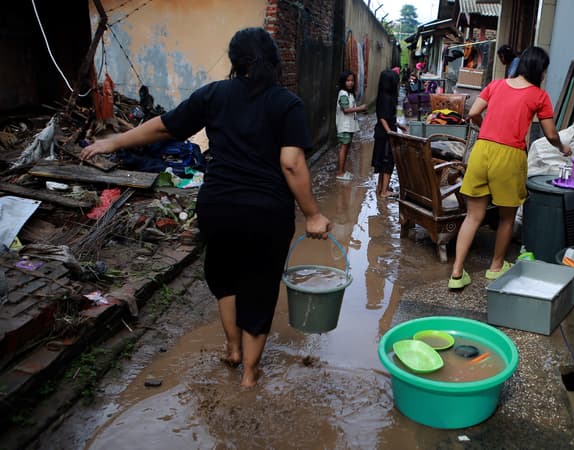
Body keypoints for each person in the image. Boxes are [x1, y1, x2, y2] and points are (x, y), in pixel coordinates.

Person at [80, 27, 331, 387]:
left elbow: (164, 128)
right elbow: (291, 163)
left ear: (234, 61)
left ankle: (232, 349)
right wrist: (313, 214)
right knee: (259, 286)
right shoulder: (287, 104)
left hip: (218, 206)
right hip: (266, 213)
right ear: (275, 62)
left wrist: (115, 141)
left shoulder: (214, 95)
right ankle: (249, 374)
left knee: (225, 279)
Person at [448, 46, 571, 289]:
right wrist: (562, 148)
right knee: (506, 217)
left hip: (482, 151)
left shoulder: (495, 85)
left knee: (473, 216)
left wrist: (485, 129)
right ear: (539, 70)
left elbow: (472, 112)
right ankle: (495, 267)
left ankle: (456, 273)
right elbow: (551, 134)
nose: (545, 75)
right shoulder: (539, 96)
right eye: (545, 70)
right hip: (510, 155)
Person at [372, 68, 407, 199]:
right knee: (387, 162)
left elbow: (387, 117)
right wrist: (390, 133)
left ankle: (380, 187)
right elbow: (382, 117)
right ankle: (384, 191)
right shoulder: (387, 98)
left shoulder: (383, 96)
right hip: (385, 135)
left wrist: (398, 125)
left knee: (382, 161)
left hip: (381, 133)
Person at [335, 70, 367, 181]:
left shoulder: (350, 94)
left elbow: (351, 109)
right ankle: (340, 172)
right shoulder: (343, 94)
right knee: (343, 148)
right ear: (343, 82)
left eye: (352, 80)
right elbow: (346, 110)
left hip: (349, 125)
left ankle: (342, 170)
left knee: (347, 147)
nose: (350, 83)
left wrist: (360, 110)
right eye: (348, 80)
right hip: (344, 125)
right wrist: (360, 108)